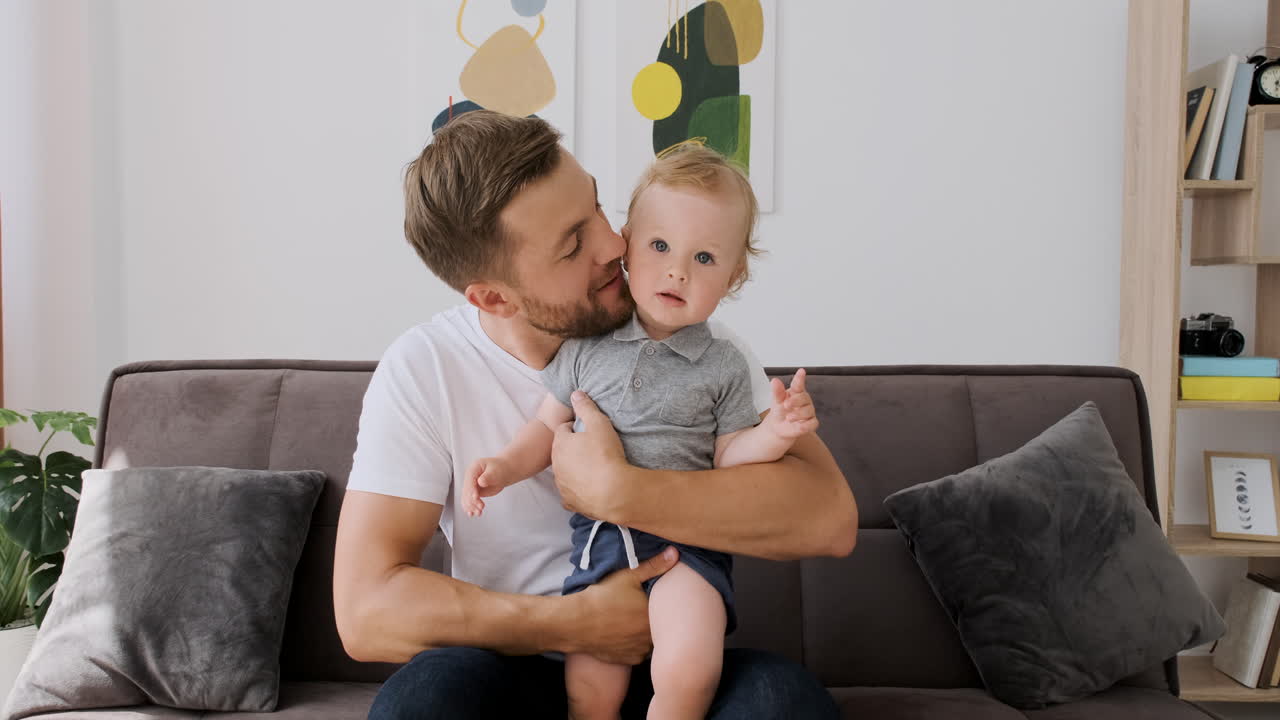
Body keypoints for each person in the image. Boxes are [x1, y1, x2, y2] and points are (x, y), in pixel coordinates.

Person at [333, 110, 858, 720]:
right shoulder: (425, 368)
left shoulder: (690, 341)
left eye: (598, 207)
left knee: (783, 704)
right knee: (422, 703)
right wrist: (576, 623)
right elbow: (365, 614)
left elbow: (829, 520)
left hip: (679, 650)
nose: (615, 245)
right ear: (495, 296)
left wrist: (623, 492)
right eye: (572, 245)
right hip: (517, 660)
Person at [460, 145, 819, 720]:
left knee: (689, 669)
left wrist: (776, 432)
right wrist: (502, 468)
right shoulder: (585, 346)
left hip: (687, 550)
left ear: (734, 276)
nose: (678, 270)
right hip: (602, 546)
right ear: (627, 246)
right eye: (659, 246)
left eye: (705, 258)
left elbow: (730, 455)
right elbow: (549, 425)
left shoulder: (724, 363)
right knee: (590, 687)